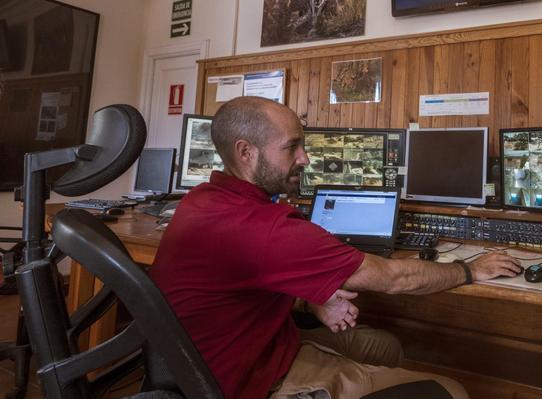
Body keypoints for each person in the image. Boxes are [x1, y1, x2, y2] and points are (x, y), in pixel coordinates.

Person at [149, 96, 522, 399]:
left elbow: (245, 283)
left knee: (386, 348)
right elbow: (393, 277)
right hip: (249, 382)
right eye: (292, 147)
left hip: (233, 355)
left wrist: (313, 297)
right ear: (246, 153)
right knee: (452, 391)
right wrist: (471, 269)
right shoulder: (265, 226)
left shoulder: (202, 198)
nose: (305, 159)